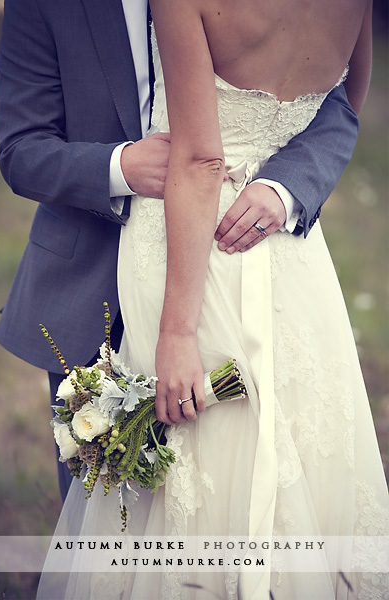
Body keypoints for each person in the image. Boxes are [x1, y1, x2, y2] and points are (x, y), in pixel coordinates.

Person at [37, 0, 389, 599]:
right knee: (294, 431)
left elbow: (200, 160)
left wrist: (177, 334)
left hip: (189, 243)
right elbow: (347, 100)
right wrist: (282, 183)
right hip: (286, 246)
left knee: (198, 456)